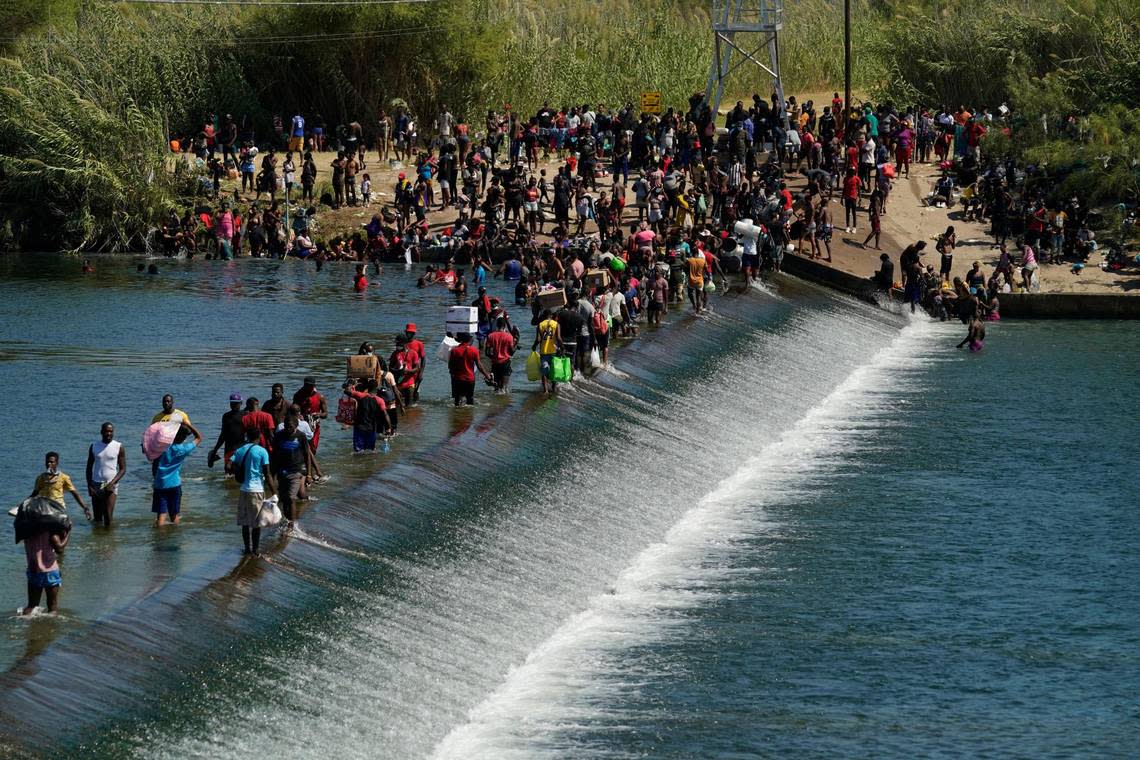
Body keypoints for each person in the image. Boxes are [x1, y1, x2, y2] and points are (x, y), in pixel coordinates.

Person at [230, 428, 275, 555]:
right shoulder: (262, 451)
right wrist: (274, 492)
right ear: (260, 437)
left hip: (244, 489)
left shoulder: (240, 450)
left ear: (247, 436)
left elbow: (229, 465)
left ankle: (247, 549)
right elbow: (267, 473)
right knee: (256, 523)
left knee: (245, 523)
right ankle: (255, 550)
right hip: (257, 490)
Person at [152, 421, 202, 527]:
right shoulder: (183, 449)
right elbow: (198, 438)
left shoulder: (163, 446)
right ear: (184, 438)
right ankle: (174, 537)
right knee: (174, 515)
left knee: (161, 515)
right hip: (175, 484)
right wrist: (188, 425)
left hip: (160, 483)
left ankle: (159, 539)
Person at [271, 414, 314, 522]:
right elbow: (274, 454)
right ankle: (286, 521)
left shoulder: (301, 436)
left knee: (291, 498)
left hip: (296, 471)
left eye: (290, 426)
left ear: (296, 425)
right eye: (285, 426)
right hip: (281, 471)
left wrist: (308, 474)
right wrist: (272, 473)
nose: (287, 428)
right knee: (284, 499)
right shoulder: (279, 436)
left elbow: (307, 455)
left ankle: (292, 525)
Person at [85, 423, 125, 527]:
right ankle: (98, 542)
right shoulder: (94, 446)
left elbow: (123, 469)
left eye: (111, 431)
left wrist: (112, 483)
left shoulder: (118, 446)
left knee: (108, 517)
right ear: (101, 432)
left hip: (110, 485)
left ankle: (110, 542)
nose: (108, 433)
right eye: (106, 431)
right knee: (97, 519)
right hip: (96, 484)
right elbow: (89, 468)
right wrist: (89, 486)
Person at [32, 451, 90, 518]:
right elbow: (34, 494)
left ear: (57, 463)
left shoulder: (64, 477)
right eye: (47, 462)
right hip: (44, 507)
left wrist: (85, 508)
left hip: (58, 506)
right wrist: (22, 506)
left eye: (51, 462)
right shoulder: (41, 478)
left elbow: (74, 493)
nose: (49, 464)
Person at [448, 332, 492, 406]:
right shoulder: (474, 350)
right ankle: (469, 416)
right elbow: (479, 366)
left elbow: (450, 366)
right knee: (470, 400)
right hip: (470, 379)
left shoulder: (454, 351)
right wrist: (487, 375)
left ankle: (457, 416)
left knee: (457, 401)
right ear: (469, 340)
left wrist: (453, 375)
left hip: (458, 379)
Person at [207, 393, 247, 475]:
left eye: (236, 403)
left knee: (241, 472)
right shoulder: (226, 416)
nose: (234, 405)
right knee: (228, 472)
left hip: (242, 448)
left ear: (241, 403)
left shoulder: (245, 415)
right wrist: (215, 450)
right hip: (229, 448)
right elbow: (223, 435)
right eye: (232, 403)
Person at [292, 377, 328, 451]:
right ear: (304, 385)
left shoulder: (320, 397)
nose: (308, 387)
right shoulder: (298, 395)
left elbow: (325, 414)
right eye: (306, 385)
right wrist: (298, 416)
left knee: (313, 448)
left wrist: (319, 414)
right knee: (301, 448)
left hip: (314, 427)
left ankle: (310, 461)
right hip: (301, 426)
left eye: (310, 385)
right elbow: (292, 410)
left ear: (314, 386)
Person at [532, 309, 562, 394]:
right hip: (553, 351)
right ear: (551, 316)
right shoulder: (556, 324)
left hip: (543, 352)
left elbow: (538, 339)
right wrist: (562, 347)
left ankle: (545, 391)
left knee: (544, 372)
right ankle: (553, 387)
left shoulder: (540, 324)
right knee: (553, 370)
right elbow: (559, 338)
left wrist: (534, 346)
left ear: (544, 316)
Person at [485, 317, 517, 392]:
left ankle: (495, 402)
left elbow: (487, 353)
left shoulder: (491, 336)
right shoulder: (509, 336)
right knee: (504, 387)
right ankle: (502, 402)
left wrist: (493, 357)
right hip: (505, 363)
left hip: (495, 363)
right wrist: (516, 345)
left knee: (496, 387)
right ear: (505, 325)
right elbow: (511, 352)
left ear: (497, 325)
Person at [403, 323, 427, 403]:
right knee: (405, 392)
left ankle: (415, 409)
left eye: (411, 333)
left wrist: (421, 373)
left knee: (415, 391)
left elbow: (423, 359)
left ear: (414, 334)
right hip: (404, 372)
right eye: (408, 333)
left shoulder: (419, 344)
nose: (409, 334)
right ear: (405, 333)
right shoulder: (403, 343)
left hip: (416, 372)